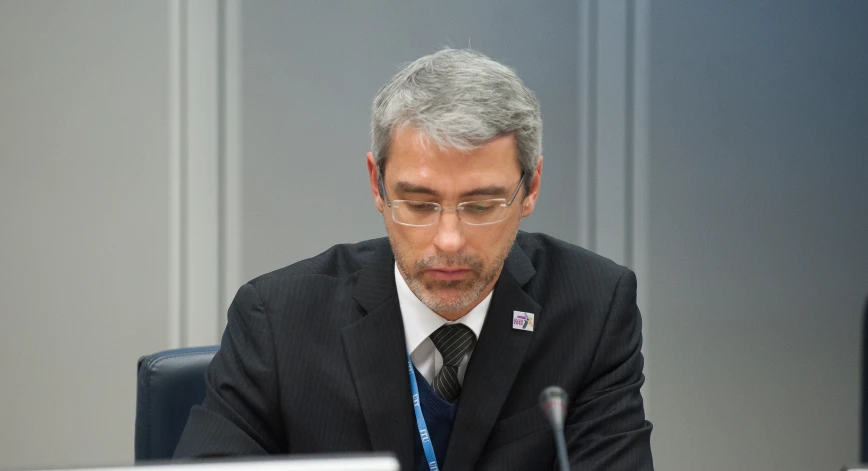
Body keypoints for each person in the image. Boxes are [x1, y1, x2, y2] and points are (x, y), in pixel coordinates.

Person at [174, 48, 653, 470]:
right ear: (376, 185)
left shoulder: (592, 309)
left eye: (481, 206)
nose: (447, 240)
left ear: (530, 188)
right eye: (420, 204)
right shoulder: (278, 319)